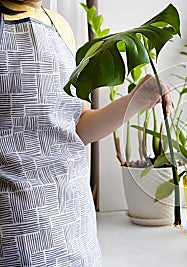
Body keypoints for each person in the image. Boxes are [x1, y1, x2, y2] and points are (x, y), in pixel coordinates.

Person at [0, 1, 172, 266]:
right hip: (17, 230)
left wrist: (137, 100)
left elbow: (77, 127)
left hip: (76, 227)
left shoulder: (59, 26)